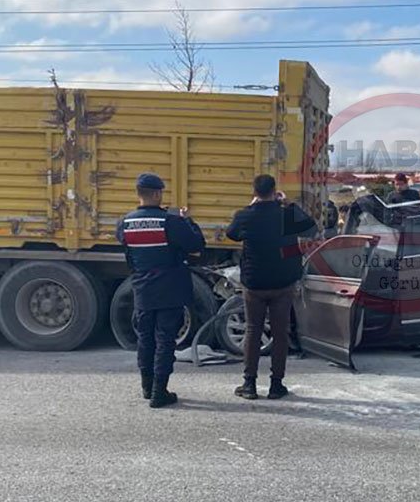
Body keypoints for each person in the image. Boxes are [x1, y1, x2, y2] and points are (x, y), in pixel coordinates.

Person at [116, 173, 207, 408]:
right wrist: (188, 220)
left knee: (145, 338)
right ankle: (159, 391)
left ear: (138, 194)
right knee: (165, 340)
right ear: (157, 194)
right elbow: (196, 244)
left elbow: (127, 248)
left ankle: (147, 387)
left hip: (142, 289)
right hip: (170, 289)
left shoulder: (125, 223)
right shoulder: (171, 222)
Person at [226, 174, 318, 400]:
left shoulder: (245, 215)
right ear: (275, 190)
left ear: (254, 192)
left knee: (253, 331)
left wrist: (251, 206)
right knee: (280, 333)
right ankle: (276, 385)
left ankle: (249, 385)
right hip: (282, 283)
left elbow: (231, 234)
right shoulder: (286, 214)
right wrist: (289, 204)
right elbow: (311, 228)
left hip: (254, 283)